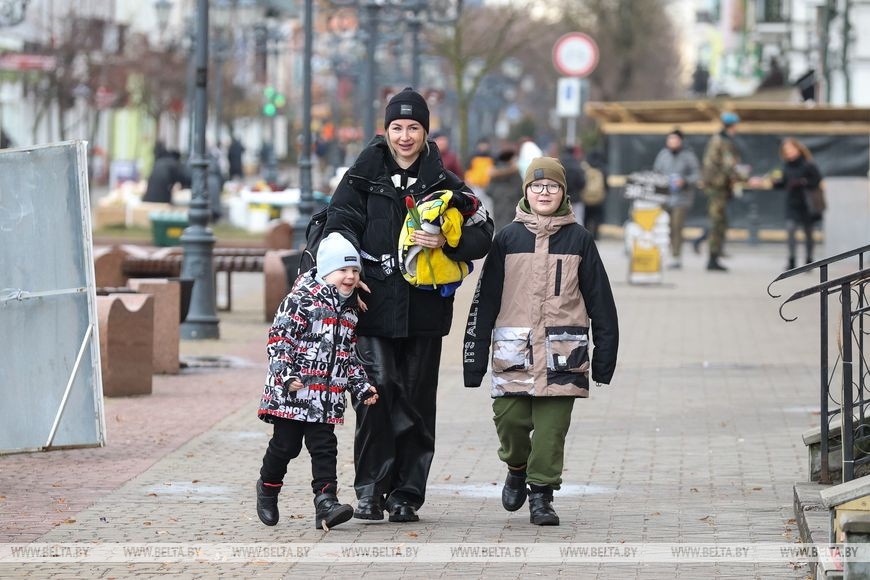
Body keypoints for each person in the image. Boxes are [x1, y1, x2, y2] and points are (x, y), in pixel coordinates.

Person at [324, 87, 494, 523]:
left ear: (425, 131)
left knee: (417, 402)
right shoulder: (361, 175)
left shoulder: (444, 180)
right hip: (371, 307)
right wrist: (347, 267)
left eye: (413, 127)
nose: (404, 136)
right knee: (376, 395)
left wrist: (447, 240)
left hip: (423, 312)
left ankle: (406, 494)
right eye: (397, 127)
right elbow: (337, 223)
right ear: (386, 131)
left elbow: (483, 231)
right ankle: (369, 490)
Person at [463, 157, 619, 526]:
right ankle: (516, 467)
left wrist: (605, 359)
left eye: (551, 186)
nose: (543, 192)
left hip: (564, 353)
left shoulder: (579, 239)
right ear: (526, 191)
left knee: (551, 432)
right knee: (511, 421)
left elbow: (601, 300)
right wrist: (472, 360)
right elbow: (484, 301)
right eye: (536, 186)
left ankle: (542, 495)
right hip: (513, 349)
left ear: (563, 192)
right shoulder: (506, 238)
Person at [256, 232, 380, 530]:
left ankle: (326, 503)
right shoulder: (299, 301)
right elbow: (279, 342)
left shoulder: (349, 311)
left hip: (325, 399)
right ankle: (268, 487)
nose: (350, 277)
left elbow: (347, 356)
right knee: (286, 446)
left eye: (354, 271)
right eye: (343, 270)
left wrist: (361, 386)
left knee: (324, 447)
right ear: (325, 272)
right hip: (291, 396)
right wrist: (287, 376)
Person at [701, 112, 743, 272]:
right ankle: (713, 258)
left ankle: (715, 255)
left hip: (717, 187)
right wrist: (740, 177)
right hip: (718, 188)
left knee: (720, 222)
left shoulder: (718, 140)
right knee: (717, 223)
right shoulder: (722, 141)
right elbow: (728, 165)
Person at [653, 129, 701, 269]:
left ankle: (676, 256)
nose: (672, 142)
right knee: (663, 227)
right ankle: (663, 254)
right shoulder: (663, 155)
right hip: (664, 198)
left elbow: (696, 175)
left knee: (676, 227)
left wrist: (684, 181)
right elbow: (656, 172)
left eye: (675, 139)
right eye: (670, 139)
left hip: (681, 199)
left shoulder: (688, 156)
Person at [773, 138, 824, 269]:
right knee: (790, 230)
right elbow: (783, 183)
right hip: (792, 203)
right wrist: (775, 183)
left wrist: (803, 182)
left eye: (791, 149)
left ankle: (809, 260)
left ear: (798, 149)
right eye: (786, 151)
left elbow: (817, 180)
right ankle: (791, 260)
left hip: (807, 203)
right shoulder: (785, 166)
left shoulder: (808, 164)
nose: (789, 152)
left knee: (808, 232)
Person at [487, 147, 524, 232]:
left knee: (500, 230)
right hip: (513, 204)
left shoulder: (494, 173)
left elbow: (488, 191)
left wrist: (497, 195)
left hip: (498, 206)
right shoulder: (515, 172)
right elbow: (521, 190)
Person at [581, 150, 608, 240]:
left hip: (586, 198)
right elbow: (606, 184)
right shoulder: (603, 168)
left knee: (586, 217)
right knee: (597, 218)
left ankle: (586, 235)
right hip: (598, 198)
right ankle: (595, 236)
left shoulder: (586, 167)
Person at [558, 146, 587, 224]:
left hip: (561, 197)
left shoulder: (559, 164)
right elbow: (582, 183)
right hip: (576, 197)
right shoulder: (577, 164)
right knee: (577, 219)